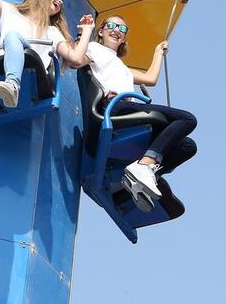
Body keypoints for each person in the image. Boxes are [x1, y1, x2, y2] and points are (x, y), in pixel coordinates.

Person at [75, 15, 197, 211]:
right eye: (112, 26)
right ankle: (144, 166)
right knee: (187, 119)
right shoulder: (95, 49)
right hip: (114, 107)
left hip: (127, 108)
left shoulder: (120, 66)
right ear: (101, 31)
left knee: (187, 146)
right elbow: (78, 60)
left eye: (122, 30)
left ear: (123, 39)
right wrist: (83, 34)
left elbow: (150, 79)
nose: (117, 30)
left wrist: (158, 52)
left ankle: (134, 184)